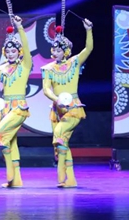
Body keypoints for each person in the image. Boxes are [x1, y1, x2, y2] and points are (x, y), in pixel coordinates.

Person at [41, 19, 93, 187]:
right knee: (63, 143)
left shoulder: (74, 63)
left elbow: (88, 48)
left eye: (59, 50)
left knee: (59, 134)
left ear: (66, 51)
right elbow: (46, 89)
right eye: (54, 50)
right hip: (57, 110)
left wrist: (88, 30)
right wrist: (56, 100)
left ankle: (60, 176)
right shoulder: (48, 69)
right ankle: (70, 180)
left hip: (73, 108)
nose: (55, 52)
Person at [0, 15, 32, 188]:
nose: (11, 54)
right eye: (8, 51)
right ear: (5, 52)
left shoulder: (25, 66)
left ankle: (9, 173)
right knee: (11, 142)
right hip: (5, 108)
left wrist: (20, 28)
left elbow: (26, 47)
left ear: (19, 52)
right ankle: (15, 181)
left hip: (19, 108)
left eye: (14, 51)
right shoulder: (0, 69)